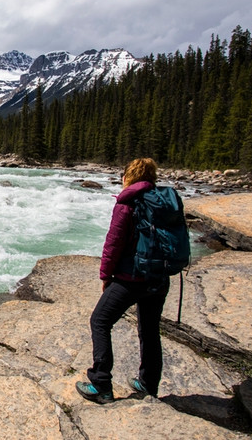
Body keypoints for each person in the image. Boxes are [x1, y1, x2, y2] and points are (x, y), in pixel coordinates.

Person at [76, 157, 172, 404]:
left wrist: (105, 275)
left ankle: (101, 385)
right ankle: (148, 384)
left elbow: (114, 243)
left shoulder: (127, 202)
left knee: (100, 321)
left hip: (131, 278)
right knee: (150, 331)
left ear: (128, 176)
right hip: (159, 278)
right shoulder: (163, 201)